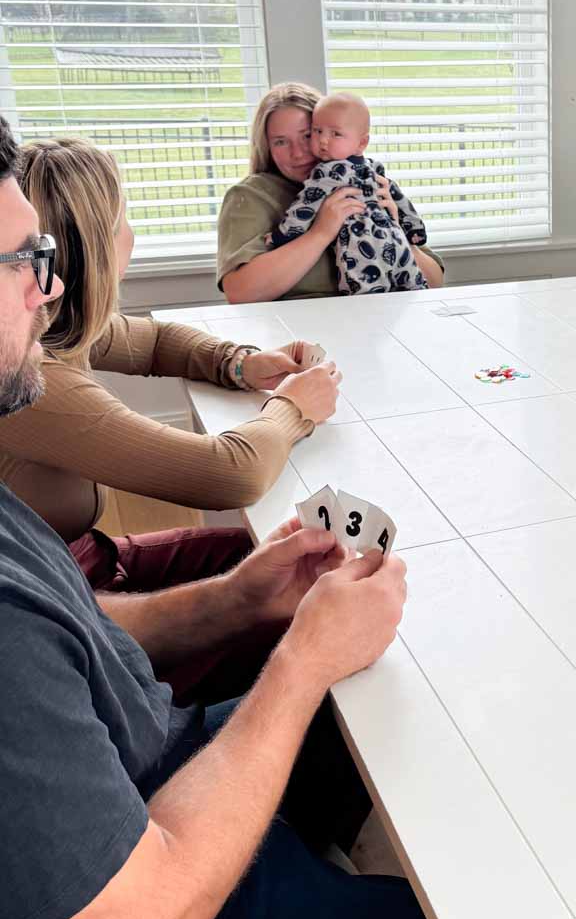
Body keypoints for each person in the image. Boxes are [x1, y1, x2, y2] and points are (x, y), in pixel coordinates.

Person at [0, 159, 515, 919]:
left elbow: (80, 634)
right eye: (26, 262)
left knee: (338, 703)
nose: (52, 290)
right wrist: (296, 666)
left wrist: (239, 600)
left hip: (165, 843)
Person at [3, 131, 340, 601]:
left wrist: (239, 364)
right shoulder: (36, 382)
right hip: (64, 601)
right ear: (96, 245)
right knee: (304, 578)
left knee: (283, 554)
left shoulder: (54, 326)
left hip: (81, 562)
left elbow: (156, 341)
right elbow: (228, 474)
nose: (132, 233)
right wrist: (292, 408)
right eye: (124, 218)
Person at [218, 80, 444, 303]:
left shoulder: (368, 182)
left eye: (307, 136)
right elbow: (241, 292)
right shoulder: (251, 196)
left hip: (380, 316)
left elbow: (434, 282)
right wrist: (321, 232)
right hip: (301, 328)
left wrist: (397, 232)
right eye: (280, 142)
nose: (298, 153)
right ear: (266, 146)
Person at [274, 90, 431, 295]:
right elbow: (401, 200)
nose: (323, 141)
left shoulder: (328, 172)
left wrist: (284, 234)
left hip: (362, 245)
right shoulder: (373, 168)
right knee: (412, 287)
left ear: (362, 143)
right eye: (317, 131)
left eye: (335, 134)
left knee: (366, 292)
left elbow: (305, 206)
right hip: (393, 245)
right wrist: (415, 230)